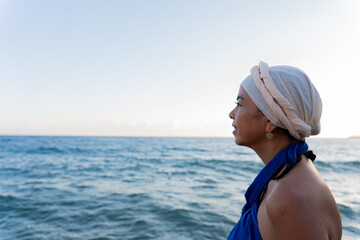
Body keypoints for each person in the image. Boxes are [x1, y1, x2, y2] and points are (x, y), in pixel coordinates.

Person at [228, 62, 342, 240]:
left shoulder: (289, 199)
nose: (232, 113)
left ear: (270, 121)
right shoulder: (288, 174)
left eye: (239, 104)